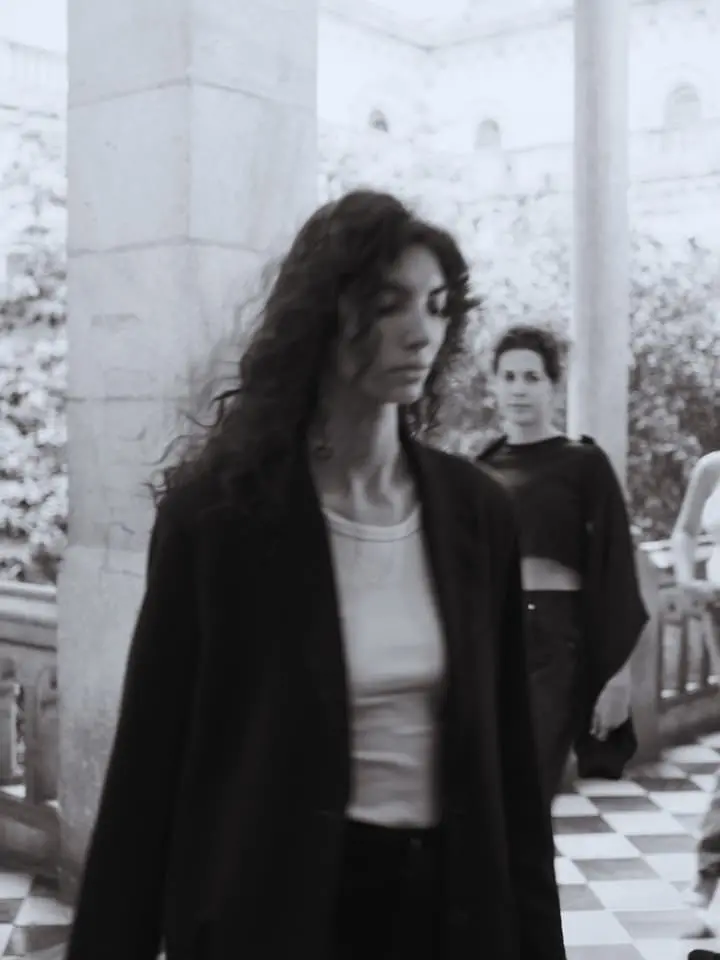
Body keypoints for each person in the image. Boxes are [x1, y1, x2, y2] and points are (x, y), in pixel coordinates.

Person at [64, 192, 567, 960]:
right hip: (275, 914)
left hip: (448, 913)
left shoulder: (477, 512)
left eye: (437, 306)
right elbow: (148, 770)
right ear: (323, 312)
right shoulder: (221, 520)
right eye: (388, 304)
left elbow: (511, 773)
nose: (421, 332)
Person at [475, 324, 648, 806]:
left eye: (532, 377)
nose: (519, 389)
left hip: (555, 639)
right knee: (491, 795)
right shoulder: (481, 467)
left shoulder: (583, 463)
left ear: (553, 385)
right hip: (492, 636)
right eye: (508, 377)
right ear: (493, 386)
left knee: (531, 787)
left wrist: (618, 678)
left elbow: (616, 567)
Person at [671, 452, 720, 934]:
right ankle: (706, 879)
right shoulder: (712, 468)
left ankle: (707, 880)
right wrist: (687, 580)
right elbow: (684, 532)